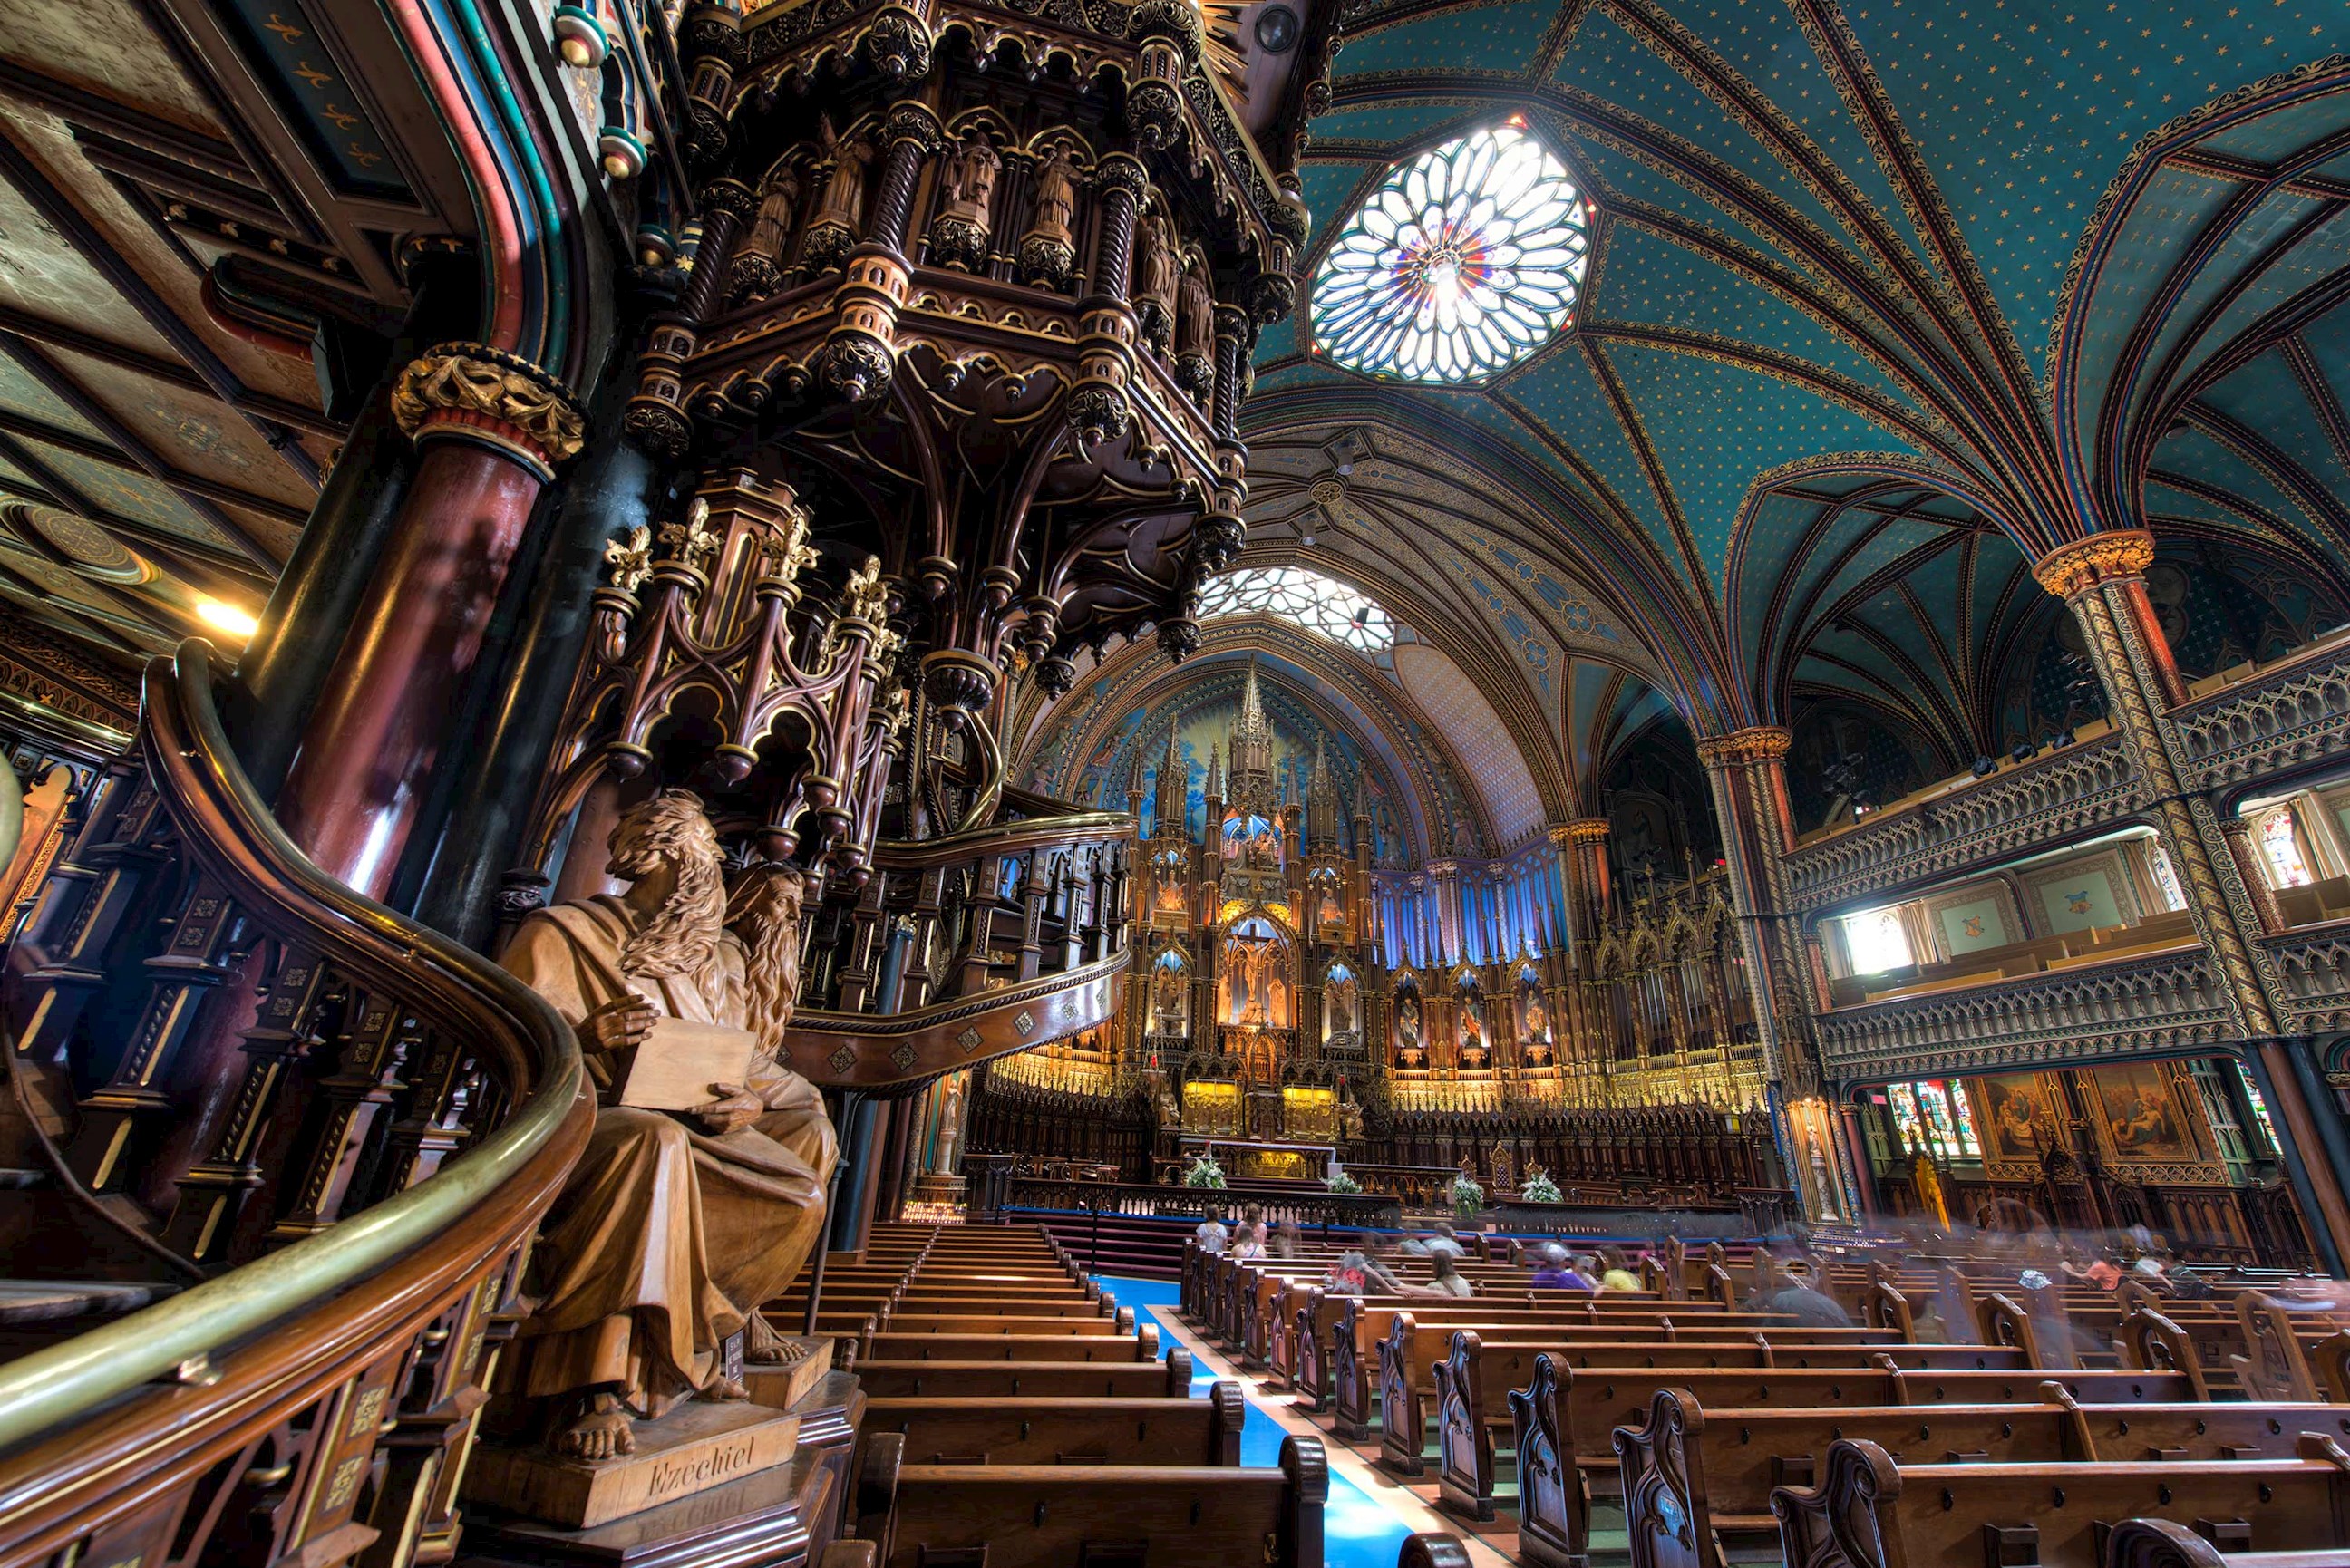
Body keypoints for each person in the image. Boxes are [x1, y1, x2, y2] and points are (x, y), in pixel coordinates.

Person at [497, 792, 837, 1460]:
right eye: (699, 857)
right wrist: (586, 1039)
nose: (711, 876)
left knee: (807, 1150)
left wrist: (748, 1104)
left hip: (694, 1127)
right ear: (653, 857)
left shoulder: (712, 963)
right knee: (655, 1142)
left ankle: (718, 1323)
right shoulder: (564, 933)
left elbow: (744, 1064)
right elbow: (505, 1051)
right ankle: (599, 1383)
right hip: (587, 1126)